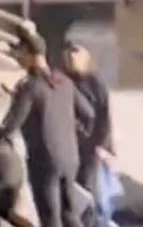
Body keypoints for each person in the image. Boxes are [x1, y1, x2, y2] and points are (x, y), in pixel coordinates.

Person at [0, 24, 92, 227]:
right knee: (70, 215)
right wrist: (71, 135)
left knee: (51, 218)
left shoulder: (31, 87)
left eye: (20, 53)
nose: (18, 58)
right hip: (70, 158)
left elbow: (10, 127)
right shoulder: (64, 82)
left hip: (44, 162)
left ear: (31, 55)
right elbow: (88, 114)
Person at [62, 42, 115, 225]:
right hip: (69, 146)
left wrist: (102, 145)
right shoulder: (63, 82)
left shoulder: (96, 84)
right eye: (69, 58)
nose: (71, 61)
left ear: (86, 59)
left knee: (90, 192)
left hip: (91, 147)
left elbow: (104, 117)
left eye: (76, 57)